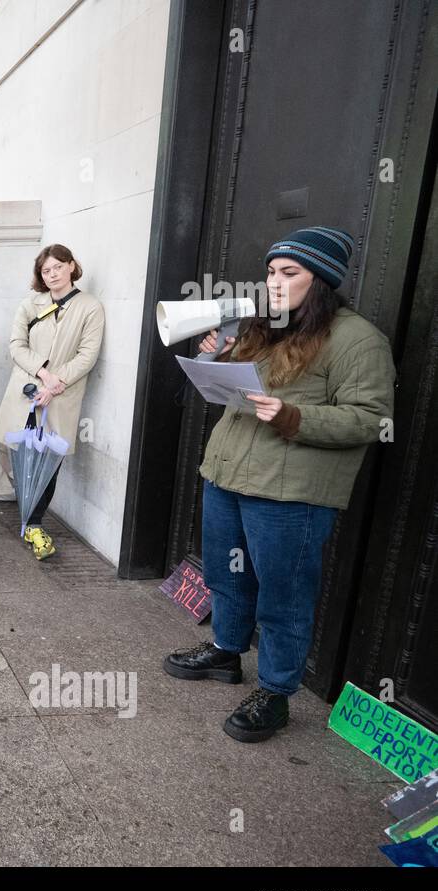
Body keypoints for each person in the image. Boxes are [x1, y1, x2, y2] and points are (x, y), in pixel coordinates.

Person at [164, 227, 395, 743]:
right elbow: (232, 389)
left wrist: (293, 416)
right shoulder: (266, 324)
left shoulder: (359, 339)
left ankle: (276, 692)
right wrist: (213, 356)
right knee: (226, 576)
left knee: (283, 597)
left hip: (290, 494)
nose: (274, 281)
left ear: (322, 281)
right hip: (227, 475)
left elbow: (370, 420)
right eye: (271, 271)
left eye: (289, 273)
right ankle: (226, 652)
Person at [0, 244, 105, 560]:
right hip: (25, 393)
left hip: (61, 397)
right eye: (45, 270)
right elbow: (16, 345)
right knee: (23, 458)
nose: (52, 274)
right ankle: (28, 519)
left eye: (57, 267)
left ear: (71, 266)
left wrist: (56, 382)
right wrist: (41, 371)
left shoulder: (90, 307)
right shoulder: (31, 304)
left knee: (49, 463)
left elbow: (88, 355)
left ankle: (35, 524)